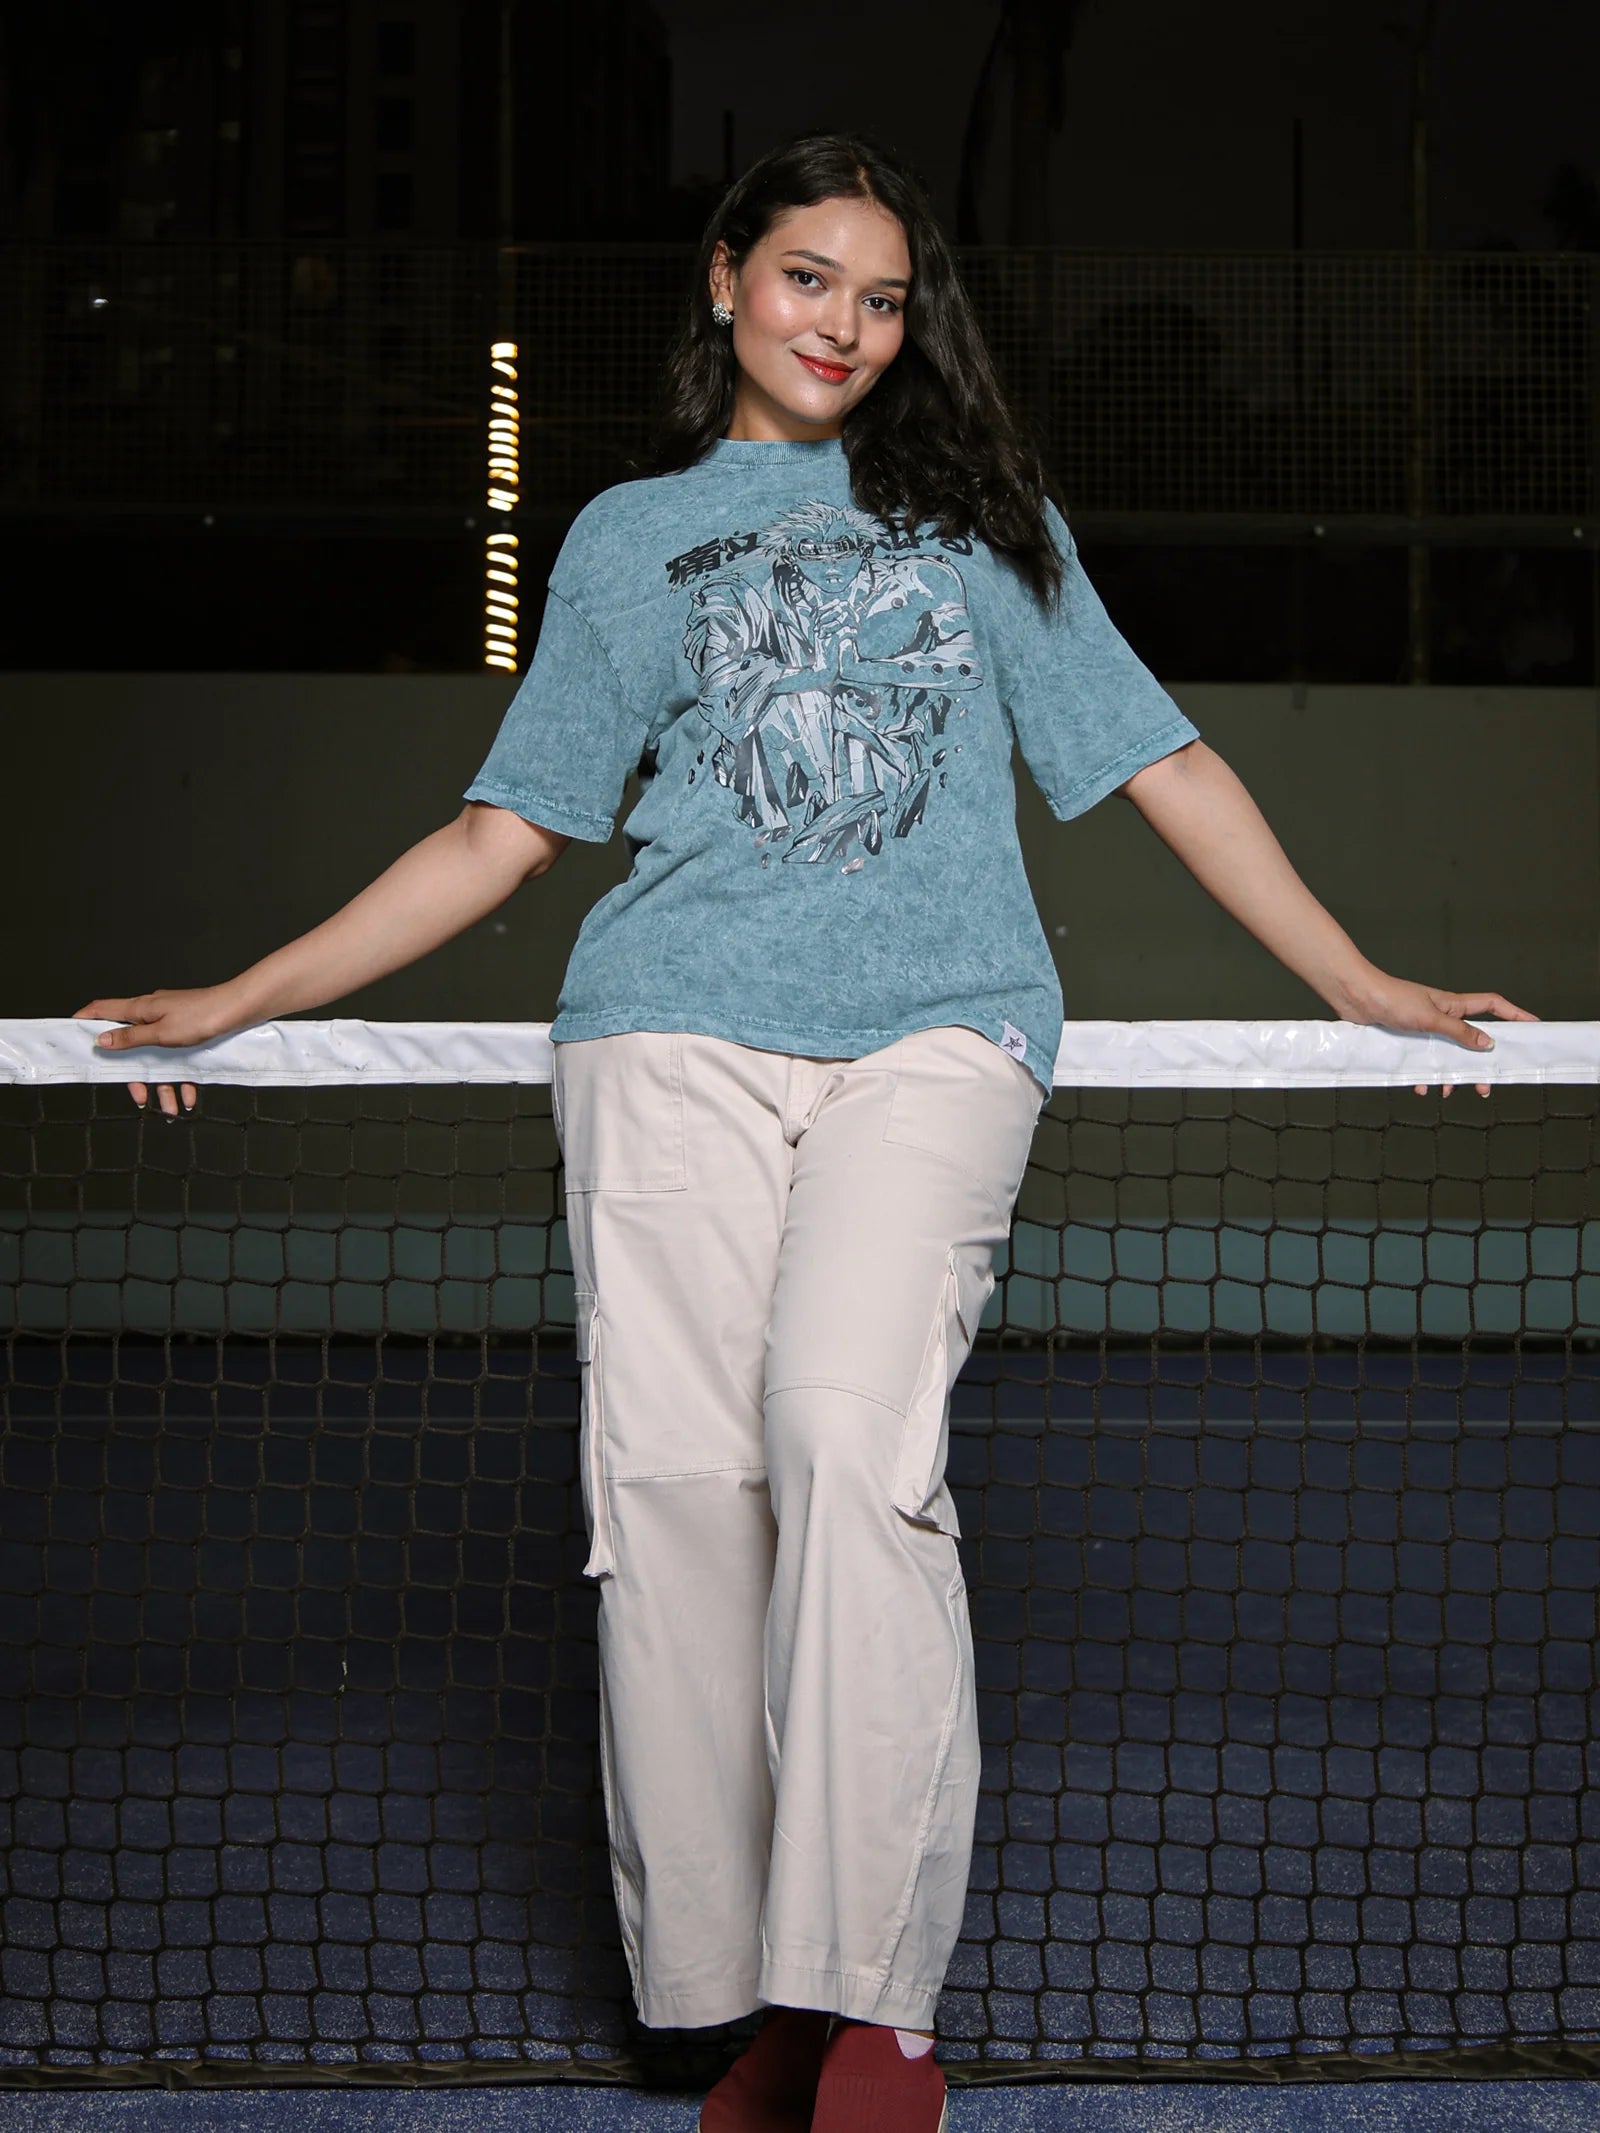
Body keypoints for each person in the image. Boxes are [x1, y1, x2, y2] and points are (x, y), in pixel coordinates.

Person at [77, 133, 1532, 2133]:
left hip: (934, 1037)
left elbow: (1163, 760)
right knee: (676, 1490)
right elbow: (504, 833)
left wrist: (1361, 981)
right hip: (661, 1035)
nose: (844, 324)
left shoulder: (983, 520)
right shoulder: (621, 538)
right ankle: (731, 1992)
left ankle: (864, 2003)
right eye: (806, 278)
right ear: (723, 278)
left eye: (882, 296)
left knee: (848, 1444)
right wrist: (249, 992)